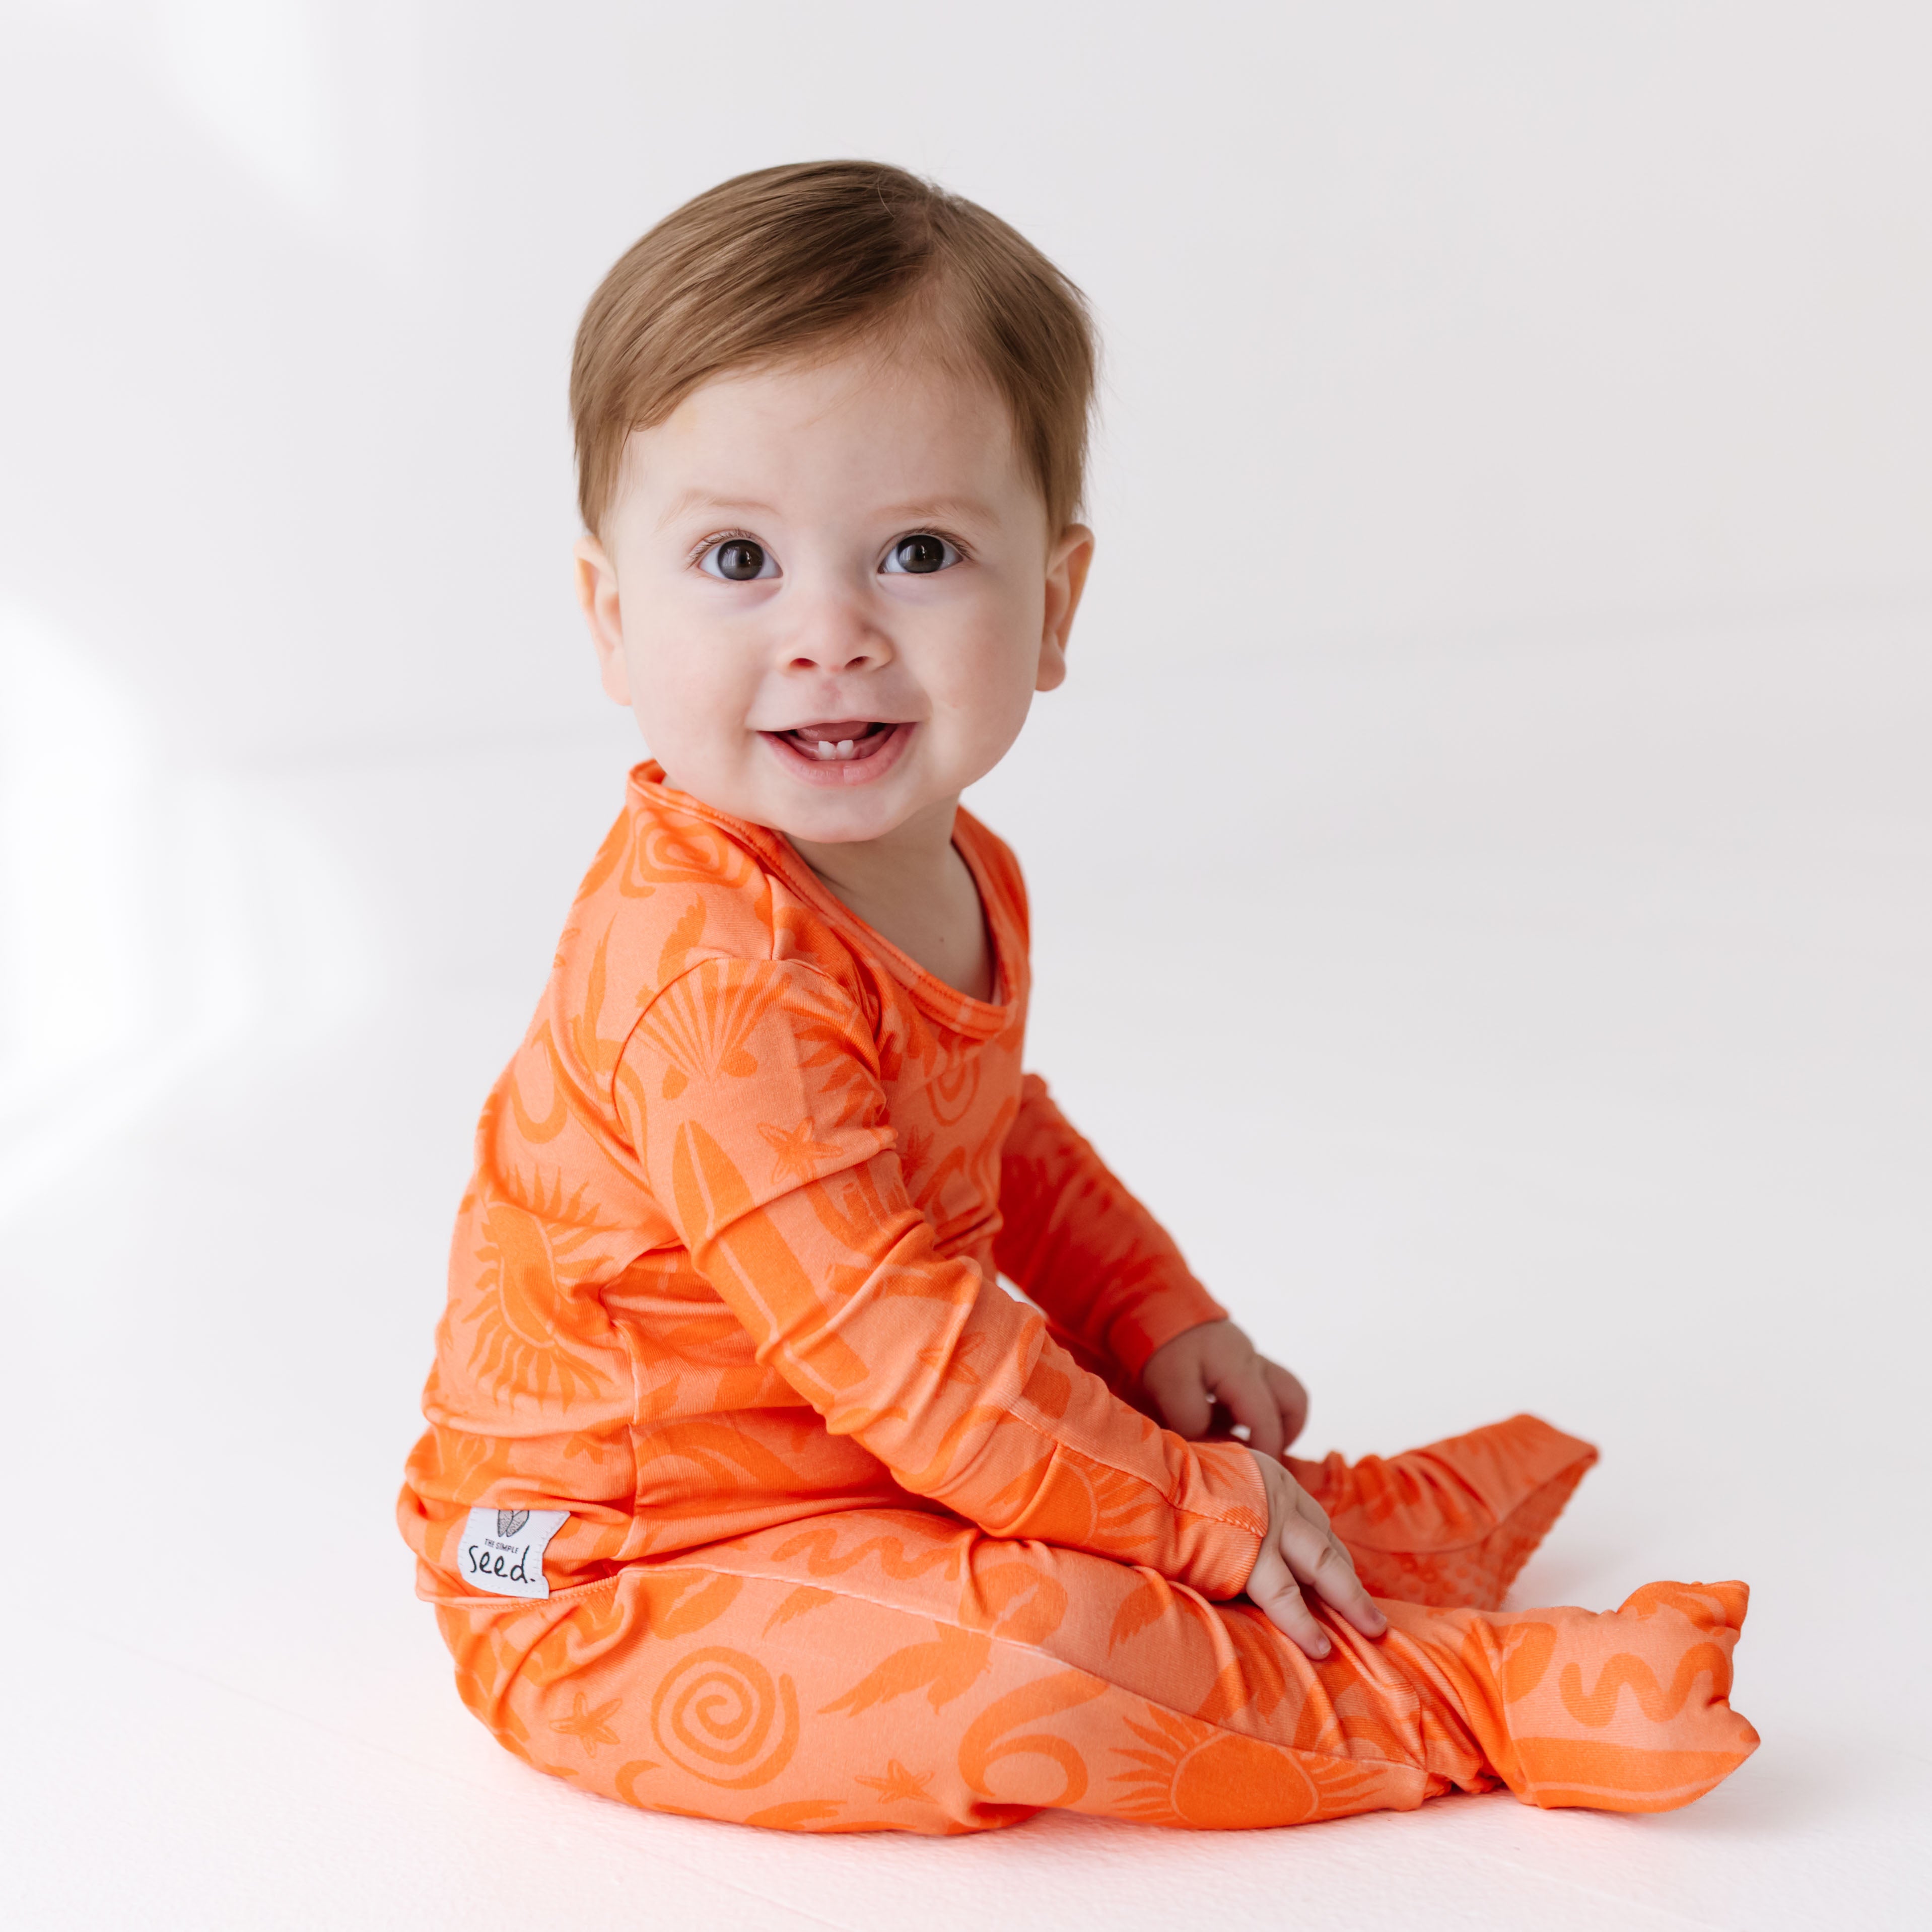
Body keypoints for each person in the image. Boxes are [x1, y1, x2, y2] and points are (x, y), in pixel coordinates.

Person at [397, 160, 1756, 1834]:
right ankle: (1459, 1694)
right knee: (1022, 1656)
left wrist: (1148, 1314)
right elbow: (910, 1357)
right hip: (620, 1568)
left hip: (879, 1462)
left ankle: (1325, 1545)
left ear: (1050, 606)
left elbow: (992, 1132)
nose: (828, 632)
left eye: (916, 551)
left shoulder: (945, 863)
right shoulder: (708, 974)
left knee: (1058, 1488)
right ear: (613, 619)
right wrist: (1189, 1512)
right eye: (737, 557)